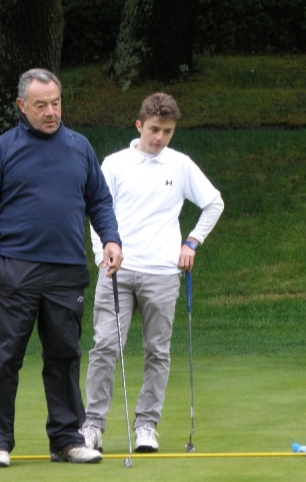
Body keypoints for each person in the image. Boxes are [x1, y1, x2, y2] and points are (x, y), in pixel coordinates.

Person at [0, 68, 124, 468]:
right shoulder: (2, 150)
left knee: (64, 357)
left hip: (67, 271)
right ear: (22, 106)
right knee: (5, 357)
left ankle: (66, 439)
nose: (51, 111)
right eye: (41, 105)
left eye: (56, 103)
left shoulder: (80, 147)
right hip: (15, 270)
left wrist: (111, 239)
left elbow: (99, 201)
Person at [81, 92, 224, 453]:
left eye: (168, 131)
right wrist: (101, 254)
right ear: (139, 125)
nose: (160, 138)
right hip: (118, 271)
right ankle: (93, 425)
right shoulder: (114, 164)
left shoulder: (180, 165)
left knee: (157, 351)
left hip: (162, 272)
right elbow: (96, 210)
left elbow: (213, 202)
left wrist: (192, 242)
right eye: (155, 129)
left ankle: (146, 426)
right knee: (105, 347)